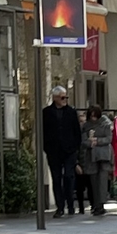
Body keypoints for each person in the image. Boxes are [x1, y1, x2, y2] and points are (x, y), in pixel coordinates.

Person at [41, 88, 83, 217]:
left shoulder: (71, 112)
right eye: (62, 97)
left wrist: (76, 148)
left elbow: (77, 131)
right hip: (54, 151)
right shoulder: (46, 113)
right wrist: (46, 147)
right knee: (56, 178)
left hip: (69, 150)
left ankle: (70, 204)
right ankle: (60, 207)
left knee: (68, 177)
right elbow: (43, 131)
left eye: (66, 97)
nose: (65, 100)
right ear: (55, 98)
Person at [79, 106, 111, 215]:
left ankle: (100, 205)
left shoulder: (105, 124)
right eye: (91, 115)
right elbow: (83, 141)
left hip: (103, 156)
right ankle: (96, 204)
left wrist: (97, 141)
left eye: (95, 115)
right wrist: (89, 143)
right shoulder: (86, 126)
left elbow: (109, 138)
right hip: (91, 156)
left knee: (102, 181)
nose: (93, 118)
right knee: (93, 182)